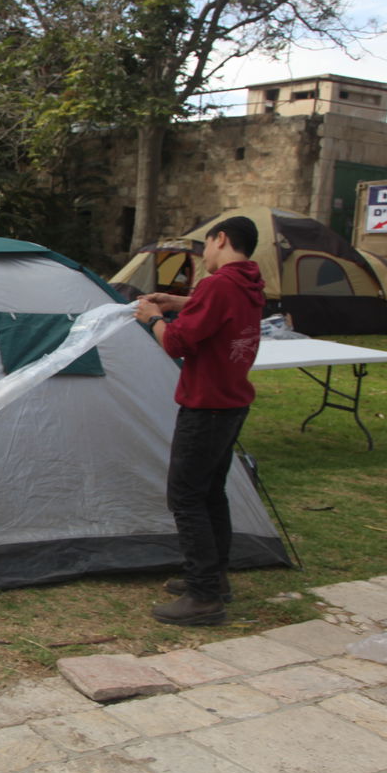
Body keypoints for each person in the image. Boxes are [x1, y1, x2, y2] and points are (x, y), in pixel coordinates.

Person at [135, 215, 264, 626]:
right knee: (210, 494)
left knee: (186, 496)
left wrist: (153, 320)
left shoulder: (219, 283)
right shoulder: (248, 283)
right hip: (231, 403)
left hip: (205, 406)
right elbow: (218, 313)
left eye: (205, 245)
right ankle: (215, 578)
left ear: (220, 239)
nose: (204, 255)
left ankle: (203, 596)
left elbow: (176, 342)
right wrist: (178, 304)